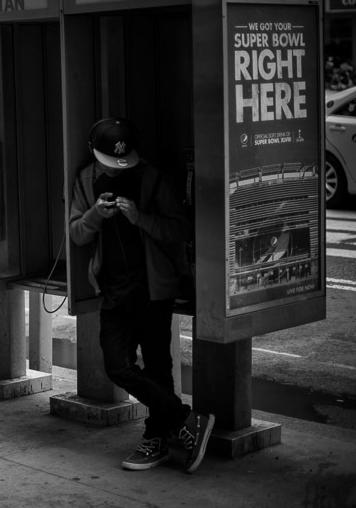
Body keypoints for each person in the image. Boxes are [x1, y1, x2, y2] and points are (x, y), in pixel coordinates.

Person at [68, 117, 214, 473]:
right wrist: (95, 215)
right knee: (117, 366)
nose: (116, 171)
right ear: (94, 153)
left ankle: (156, 440)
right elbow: (77, 234)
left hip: (153, 289)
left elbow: (180, 228)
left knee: (158, 366)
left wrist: (140, 218)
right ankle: (187, 419)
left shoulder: (152, 178)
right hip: (114, 290)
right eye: (109, 163)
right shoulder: (86, 180)